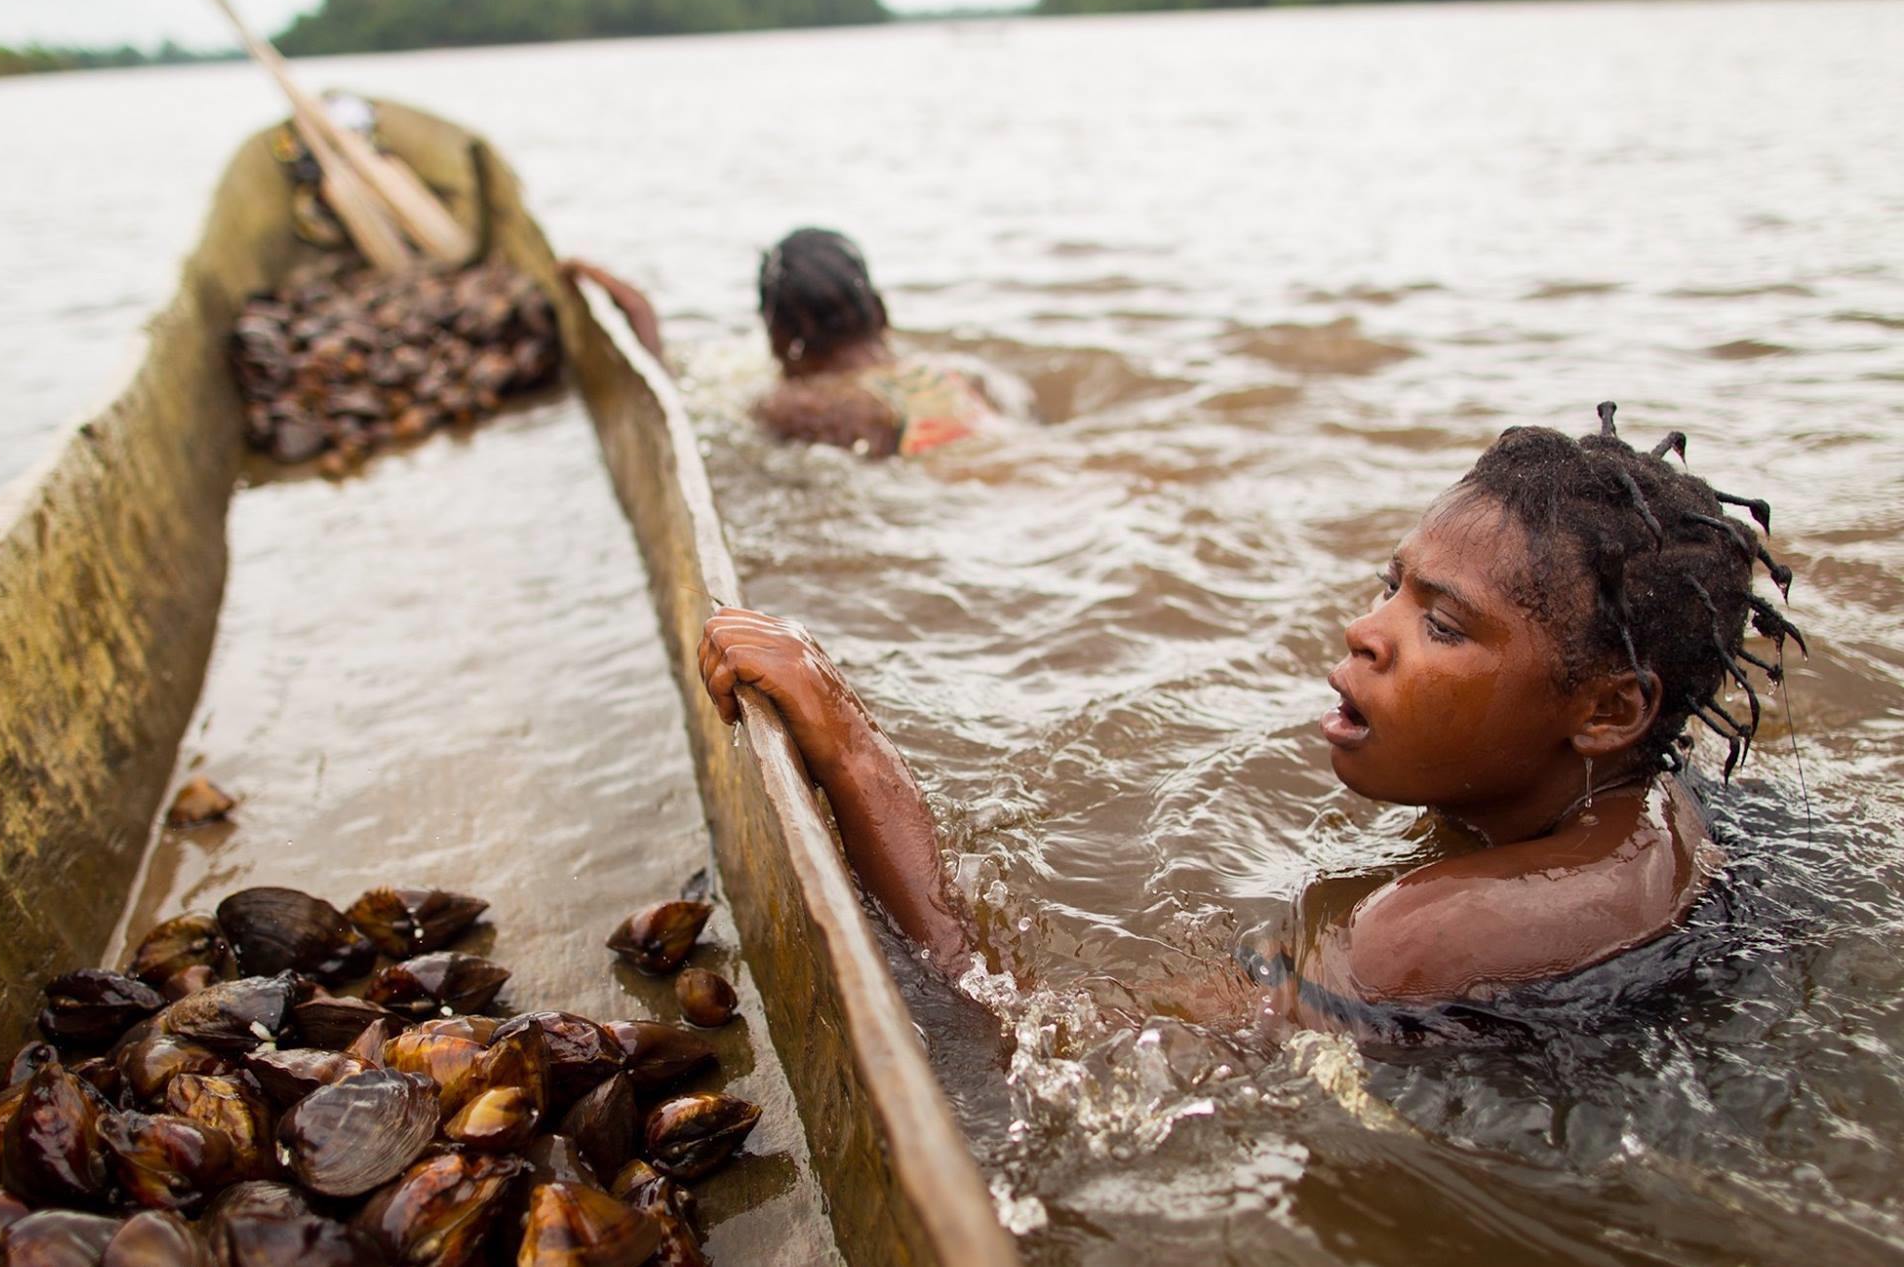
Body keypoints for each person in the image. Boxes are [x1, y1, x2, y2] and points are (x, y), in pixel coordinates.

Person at [694, 405, 1803, 1030]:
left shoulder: (1409, 937)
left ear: (1608, 711)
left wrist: (852, 745)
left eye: (1443, 626)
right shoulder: (1645, 815)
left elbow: (1035, 1030)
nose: (1367, 633)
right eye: (1390, 588)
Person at [564, 228, 995, 458]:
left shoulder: (798, 405)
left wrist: (642, 315)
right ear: (880, 311)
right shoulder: (940, 375)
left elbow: (669, 414)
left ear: (781, 338)